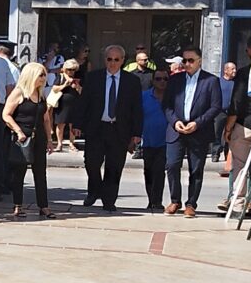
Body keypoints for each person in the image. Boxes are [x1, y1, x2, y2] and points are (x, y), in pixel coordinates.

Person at [77, 45, 142, 211]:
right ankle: (94, 190)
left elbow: (137, 108)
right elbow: (83, 102)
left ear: (122, 60)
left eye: (116, 59)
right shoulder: (93, 78)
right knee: (91, 163)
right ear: (105, 60)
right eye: (109, 59)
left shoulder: (132, 81)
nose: (112, 63)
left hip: (119, 129)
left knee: (114, 167)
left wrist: (136, 133)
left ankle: (109, 200)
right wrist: (77, 124)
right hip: (97, 127)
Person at [163, 47, 223, 217]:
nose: (187, 64)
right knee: (172, 165)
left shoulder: (210, 81)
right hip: (177, 129)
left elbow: (215, 107)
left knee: (196, 169)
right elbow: (166, 105)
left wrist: (198, 123)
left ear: (199, 61)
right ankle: (175, 200)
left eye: (191, 60)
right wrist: (175, 121)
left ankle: (191, 204)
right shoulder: (175, 80)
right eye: (184, 60)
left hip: (198, 130)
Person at [0, 61, 54, 218]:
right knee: (19, 171)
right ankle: (18, 205)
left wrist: (49, 139)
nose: (43, 78)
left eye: (44, 75)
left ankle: (44, 206)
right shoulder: (19, 93)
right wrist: (18, 131)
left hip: (39, 137)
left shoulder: (41, 94)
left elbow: (46, 119)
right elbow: (6, 114)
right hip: (23, 136)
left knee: (40, 172)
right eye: (40, 75)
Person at [222, 66, 251, 216]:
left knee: (240, 164)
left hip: (245, 125)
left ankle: (237, 204)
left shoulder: (245, 73)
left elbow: (236, 102)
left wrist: (228, 128)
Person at [140, 72, 171, 212]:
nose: (162, 82)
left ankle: (156, 201)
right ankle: (151, 200)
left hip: (166, 141)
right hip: (148, 140)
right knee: (148, 171)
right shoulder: (144, 96)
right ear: (153, 81)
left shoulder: (172, 96)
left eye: (165, 79)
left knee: (159, 171)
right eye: (158, 79)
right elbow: (137, 117)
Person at [49, 58, 82, 153]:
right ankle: (60, 143)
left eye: (73, 70)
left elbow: (82, 91)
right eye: (69, 69)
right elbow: (54, 89)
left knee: (73, 124)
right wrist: (65, 85)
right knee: (60, 124)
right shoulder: (60, 77)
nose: (71, 72)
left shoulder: (77, 78)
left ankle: (72, 143)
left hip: (74, 103)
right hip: (62, 104)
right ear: (65, 69)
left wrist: (77, 87)